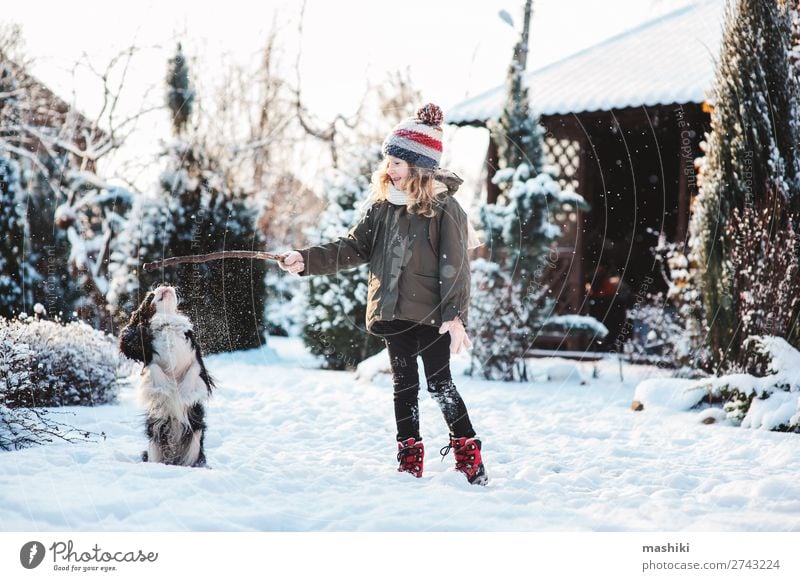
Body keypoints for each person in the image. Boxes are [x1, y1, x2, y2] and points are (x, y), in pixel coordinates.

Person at [278, 103, 488, 485]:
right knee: (403, 384)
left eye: (396, 162)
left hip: (434, 316)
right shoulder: (382, 207)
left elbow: (455, 266)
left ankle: (467, 453)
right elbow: (353, 247)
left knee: (440, 384)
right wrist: (305, 260)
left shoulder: (445, 208)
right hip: (392, 313)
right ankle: (409, 457)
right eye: (388, 161)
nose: (388, 168)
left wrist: (455, 317)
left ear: (419, 165)